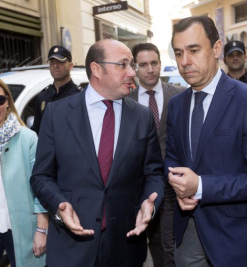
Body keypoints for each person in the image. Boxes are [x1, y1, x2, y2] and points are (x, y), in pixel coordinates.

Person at [30, 39, 165, 267]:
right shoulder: (57, 114)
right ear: (96, 69)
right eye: (123, 64)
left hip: (126, 246)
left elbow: (154, 174)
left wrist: (149, 203)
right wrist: (59, 204)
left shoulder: (142, 117)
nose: (132, 72)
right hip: (71, 248)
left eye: (131, 64)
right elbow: (41, 177)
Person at [165, 16, 247, 267]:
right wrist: (178, 184)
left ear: (216, 49)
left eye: (193, 50)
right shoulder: (176, 105)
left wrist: (200, 186)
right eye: (178, 53)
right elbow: (171, 157)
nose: (184, 62)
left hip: (237, 239)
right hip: (188, 234)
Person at [130, 42, 185, 267]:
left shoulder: (180, 96)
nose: (150, 69)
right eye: (143, 65)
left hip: (173, 184)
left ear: (160, 64)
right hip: (138, 186)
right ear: (135, 68)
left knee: (170, 241)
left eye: (154, 63)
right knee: (147, 240)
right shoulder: (125, 101)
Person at [0, 79, 48, 267]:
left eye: (0, 99)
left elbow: (41, 189)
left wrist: (42, 231)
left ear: (8, 103)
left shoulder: (27, 138)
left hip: (21, 229)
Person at [31, 45, 81, 134]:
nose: (55, 66)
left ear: (71, 66)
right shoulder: (43, 96)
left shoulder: (79, 96)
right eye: (52, 62)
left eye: (60, 62)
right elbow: (37, 130)